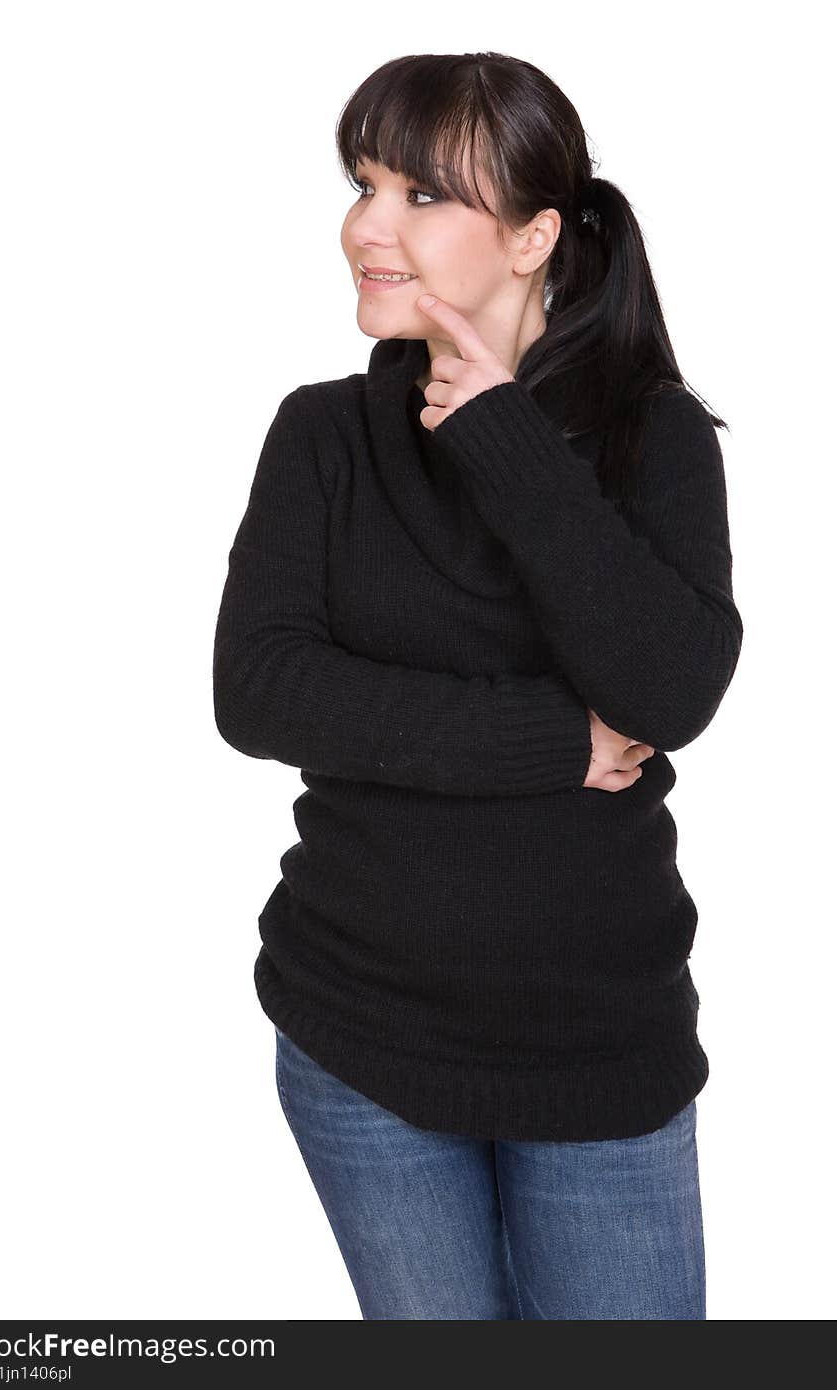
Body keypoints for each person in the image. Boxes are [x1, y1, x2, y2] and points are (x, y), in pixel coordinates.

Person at [213, 51, 742, 1320]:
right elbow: (263, 691)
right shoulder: (322, 435)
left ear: (532, 237)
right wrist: (553, 738)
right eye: (361, 184)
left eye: (419, 195)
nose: (365, 227)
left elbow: (668, 689)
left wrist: (502, 431)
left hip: (595, 1050)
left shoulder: (651, 438)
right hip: (360, 1040)